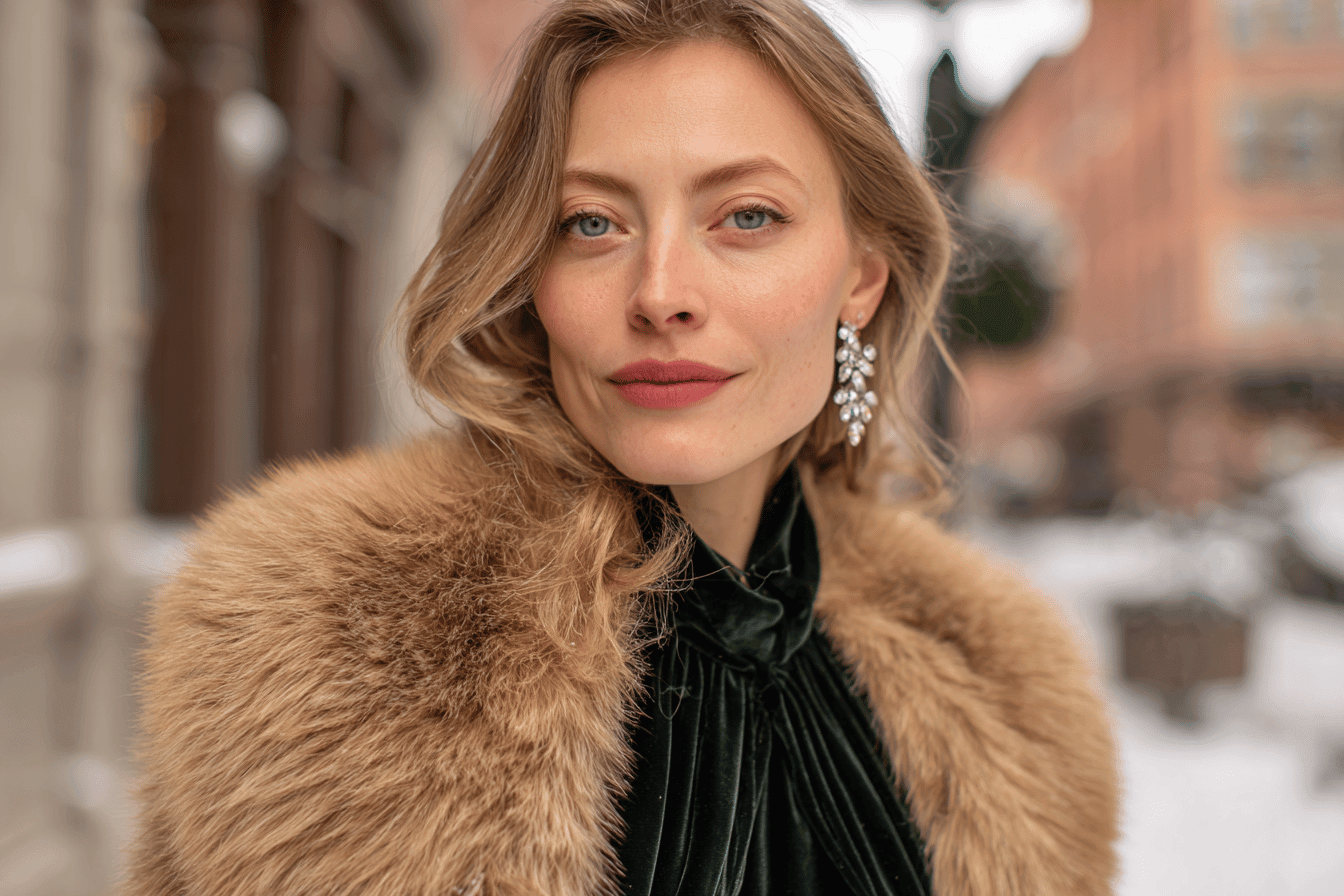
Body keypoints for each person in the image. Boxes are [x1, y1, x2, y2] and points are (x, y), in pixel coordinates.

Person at [125, 1, 1119, 894]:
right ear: (531, 270)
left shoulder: (1008, 694)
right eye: (592, 223)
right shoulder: (319, 640)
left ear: (860, 276)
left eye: (747, 217)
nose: (660, 290)